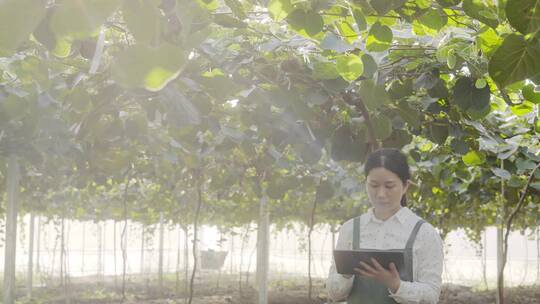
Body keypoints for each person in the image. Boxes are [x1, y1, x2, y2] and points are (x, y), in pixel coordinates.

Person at [327, 148, 443, 304]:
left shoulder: (424, 233)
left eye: (389, 186)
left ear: (405, 186)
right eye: (374, 185)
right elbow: (334, 294)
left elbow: (431, 296)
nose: (381, 194)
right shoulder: (350, 229)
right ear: (365, 183)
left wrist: (396, 285)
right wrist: (346, 275)